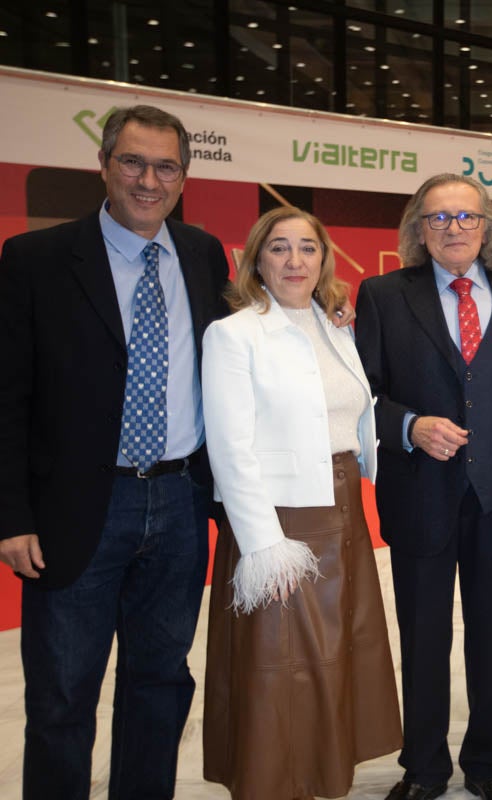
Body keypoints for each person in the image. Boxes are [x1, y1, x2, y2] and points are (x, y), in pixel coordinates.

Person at [0, 104, 230, 799]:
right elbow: (7, 396)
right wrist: (11, 513)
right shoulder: (35, 259)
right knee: (63, 695)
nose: (148, 180)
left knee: (160, 684)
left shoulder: (202, 253)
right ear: (103, 165)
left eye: (165, 166)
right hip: (76, 510)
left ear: (184, 176)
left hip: (182, 504)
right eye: (133, 162)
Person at [200, 206, 403, 799]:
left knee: (333, 659)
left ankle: (319, 776)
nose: (295, 261)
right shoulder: (234, 334)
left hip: (342, 512)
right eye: (280, 248)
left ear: (324, 258)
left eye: (307, 248)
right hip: (280, 522)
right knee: (278, 669)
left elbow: (351, 415)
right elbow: (231, 449)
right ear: (257, 259)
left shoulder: (334, 324)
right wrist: (264, 546)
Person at [356, 174, 492, 800]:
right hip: (419, 498)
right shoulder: (381, 295)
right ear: (417, 229)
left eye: (466, 217)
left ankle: (488, 763)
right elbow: (361, 397)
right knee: (424, 638)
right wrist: (408, 424)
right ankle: (424, 766)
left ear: (487, 227)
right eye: (438, 218)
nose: (454, 228)